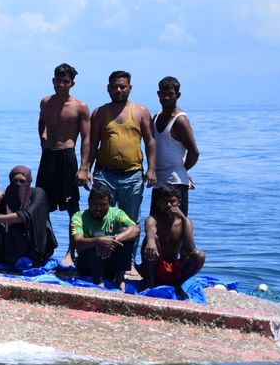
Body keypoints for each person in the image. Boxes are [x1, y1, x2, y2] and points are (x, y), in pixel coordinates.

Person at [82, 70, 157, 264]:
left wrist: (152, 169)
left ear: (130, 88)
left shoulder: (140, 111)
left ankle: (127, 262)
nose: (118, 90)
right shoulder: (99, 113)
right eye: (114, 86)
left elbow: (150, 141)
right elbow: (92, 143)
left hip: (132, 175)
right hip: (105, 173)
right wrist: (85, 168)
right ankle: (100, 259)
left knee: (130, 221)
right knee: (100, 216)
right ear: (108, 88)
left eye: (122, 86)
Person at [37, 63, 92, 267]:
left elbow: (87, 138)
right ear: (53, 81)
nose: (61, 85)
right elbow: (42, 122)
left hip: (67, 157)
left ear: (72, 83)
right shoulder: (45, 102)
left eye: (65, 82)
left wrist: (84, 168)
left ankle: (71, 252)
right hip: (47, 156)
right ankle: (44, 248)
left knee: (72, 207)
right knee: (41, 205)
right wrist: (42, 137)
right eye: (58, 81)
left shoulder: (80, 106)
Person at [71, 183, 140, 289]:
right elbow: (77, 242)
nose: (98, 208)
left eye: (103, 205)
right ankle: (97, 281)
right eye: (95, 204)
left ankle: (120, 278)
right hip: (88, 264)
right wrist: (98, 241)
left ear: (110, 203)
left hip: (110, 262)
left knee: (126, 233)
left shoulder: (117, 213)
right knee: (97, 239)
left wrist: (113, 240)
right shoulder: (79, 217)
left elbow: (135, 229)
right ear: (89, 202)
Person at [142, 185, 205, 296]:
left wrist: (184, 219)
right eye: (165, 202)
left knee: (199, 255)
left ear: (179, 202)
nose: (168, 205)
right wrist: (151, 240)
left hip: (173, 269)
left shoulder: (186, 222)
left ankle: (178, 284)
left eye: (172, 202)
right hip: (156, 265)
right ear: (158, 203)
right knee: (151, 239)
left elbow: (190, 248)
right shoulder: (153, 219)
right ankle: (150, 282)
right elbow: (150, 229)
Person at [0, 166, 57, 266]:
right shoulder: (9, 193)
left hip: (34, 241)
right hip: (11, 239)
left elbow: (26, 216)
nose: (18, 184)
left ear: (30, 181)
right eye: (15, 180)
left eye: (22, 181)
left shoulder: (38, 193)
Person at [152, 76, 200, 216]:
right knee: (156, 226)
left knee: (176, 227)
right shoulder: (156, 117)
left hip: (176, 184)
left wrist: (182, 170)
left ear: (178, 95)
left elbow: (194, 152)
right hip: (159, 182)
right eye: (163, 94)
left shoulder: (180, 120)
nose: (166, 98)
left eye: (170, 94)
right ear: (158, 94)